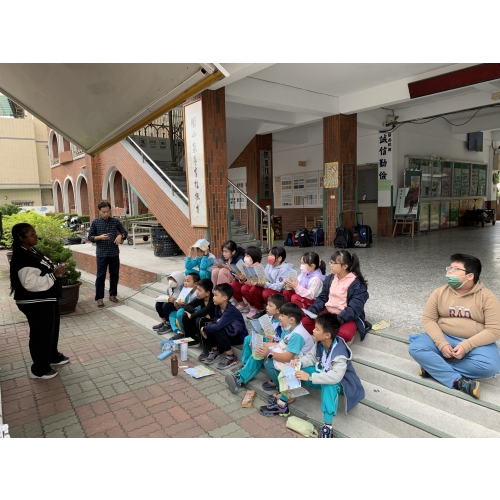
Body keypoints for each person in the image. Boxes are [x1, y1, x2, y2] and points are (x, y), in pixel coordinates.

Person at [408, 253, 500, 399]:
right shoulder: (439, 293)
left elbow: (494, 330)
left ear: (470, 276)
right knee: (416, 348)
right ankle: (457, 381)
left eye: (455, 269)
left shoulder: (487, 297)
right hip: (444, 336)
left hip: (475, 342)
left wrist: (467, 345)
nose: (449, 272)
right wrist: (442, 343)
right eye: (449, 268)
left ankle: (434, 369)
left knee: (491, 367)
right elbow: (429, 319)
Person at [9, 223, 69, 379]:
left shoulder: (32, 250)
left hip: (46, 299)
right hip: (35, 302)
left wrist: (55, 269)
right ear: (21, 238)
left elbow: (43, 269)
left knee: (51, 331)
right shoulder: (22, 257)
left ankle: (52, 356)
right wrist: (54, 275)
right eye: (32, 234)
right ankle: (39, 369)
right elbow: (29, 283)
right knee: (40, 334)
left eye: (35, 233)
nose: (36, 236)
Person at [291, 312, 365, 438]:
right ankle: (283, 402)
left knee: (328, 384)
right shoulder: (320, 343)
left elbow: (336, 377)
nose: (313, 331)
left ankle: (327, 426)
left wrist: (309, 377)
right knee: (297, 369)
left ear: (327, 335)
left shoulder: (340, 352)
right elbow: (311, 358)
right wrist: (299, 362)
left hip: (343, 383)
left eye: (317, 329)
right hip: (324, 374)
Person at [257, 302, 315, 417]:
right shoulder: (289, 328)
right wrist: (263, 345)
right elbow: (281, 345)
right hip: (295, 359)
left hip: (301, 363)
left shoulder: (297, 334)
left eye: (282, 315)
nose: (279, 317)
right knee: (263, 353)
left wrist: (269, 353)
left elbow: (288, 358)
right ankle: (283, 395)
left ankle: (287, 396)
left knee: (269, 361)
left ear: (291, 320)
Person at [303, 250, 371, 343]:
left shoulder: (357, 284)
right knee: (305, 323)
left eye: (334, 263)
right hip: (328, 312)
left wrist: (338, 319)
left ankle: (326, 336)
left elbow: (354, 307)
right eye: (330, 262)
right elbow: (323, 297)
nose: (331, 265)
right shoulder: (330, 278)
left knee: (344, 334)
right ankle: (326, 336)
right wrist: (314, 309)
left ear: (345, 266)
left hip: (345, 316)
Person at [225, 294, 287, 394]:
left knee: (258, 350)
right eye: (267, 304)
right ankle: (246, 366)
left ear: (278, 310)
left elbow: (283, 343)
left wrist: (273, 341)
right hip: (268, 342)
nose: (267, 307)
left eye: (270, 306)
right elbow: (265, 333)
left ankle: (240, 379)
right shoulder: (269, 318)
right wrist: (256, 335)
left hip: (276, 347)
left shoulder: (283, 323)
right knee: (248, 338)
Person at [87, 201, 128, 308]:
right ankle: (99, 298)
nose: (106, 214)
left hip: (114, 253)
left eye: (108, 211)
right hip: (102, 254)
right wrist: (100, 237)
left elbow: (125, 232)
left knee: (114, 275)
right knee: (101, 276)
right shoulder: (95, 222)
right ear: (99, 211)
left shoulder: (115, 221)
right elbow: (90, 237)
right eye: (104, 212)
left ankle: (113, 295)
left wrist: (120, 236)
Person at [199, 283, 247, 370]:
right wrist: (210, 326)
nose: (213, 297)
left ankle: (231, 356)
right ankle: (215, 350)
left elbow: (218, 326)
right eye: (213, 295)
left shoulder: (230, 310)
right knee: (210, 325)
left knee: (215, 328)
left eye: (216, 295)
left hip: (238, 336)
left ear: (225, 297)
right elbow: (215, 321)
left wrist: (204, 329)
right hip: (228, 332)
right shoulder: (218, 307)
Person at [242, 246, 290, 319]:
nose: (269, 257)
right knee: (252, 289)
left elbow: (278, 287)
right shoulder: (269, 265)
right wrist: (258, 281)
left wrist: (265, 284)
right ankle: (260, 310)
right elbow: (264, 277)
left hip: (278, 292)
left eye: (271, 255)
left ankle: (271, 312)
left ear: (279, 258)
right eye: (268, 255)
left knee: (266, 293)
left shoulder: (284, 269)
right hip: (268, 286)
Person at [181, 279, 215, 346]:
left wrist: (192, 315)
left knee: (199, 319)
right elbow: (187, 306)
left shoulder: (213, 300)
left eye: (200, 290)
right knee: (185, 315)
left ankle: (205, 345)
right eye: (197, 289)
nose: (197, 292)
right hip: (205, 319)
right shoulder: (201, 298)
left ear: (207, 293)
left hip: (213, 322)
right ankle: (190, 339)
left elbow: (204, 311)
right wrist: (195, 311)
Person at [166, 272, 200, 340]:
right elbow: (181, 307)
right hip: (185, 312)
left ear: (195, 284)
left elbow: (198, 309)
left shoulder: (197, 294)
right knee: (172, 314)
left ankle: (186, 333)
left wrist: (184, 306)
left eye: (188, 281)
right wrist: (177, 305)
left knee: (180, 313)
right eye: (185, 281)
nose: (185, 283)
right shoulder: (186, 293)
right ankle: (179, 332)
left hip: (193, 314)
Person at [230, 245, 262, 312]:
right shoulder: (245, 266)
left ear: (254, 256)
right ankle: (242, 305)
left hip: (256, 287)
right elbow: (244, 279)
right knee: (233, 284)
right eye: (245, 256)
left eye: (248, 256)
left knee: (244, 288)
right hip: (248, 285)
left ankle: (254, 308)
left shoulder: (259, 267)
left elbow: (262, 281)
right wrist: (241, 278)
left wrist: (253, 282)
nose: (245, 258)